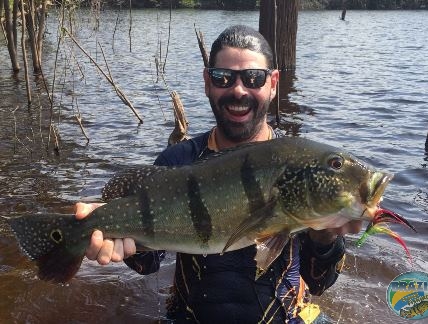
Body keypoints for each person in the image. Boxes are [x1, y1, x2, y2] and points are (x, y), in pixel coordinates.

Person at [75, 25, 362, 323]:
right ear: (207, 83)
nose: (238, 90)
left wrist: (325, 237)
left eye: (254, 78)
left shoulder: (299, 166)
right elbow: (149, 263)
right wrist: (116, 240)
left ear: (273, 83)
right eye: (223, 78)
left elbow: (318, 283)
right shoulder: (178, 160)